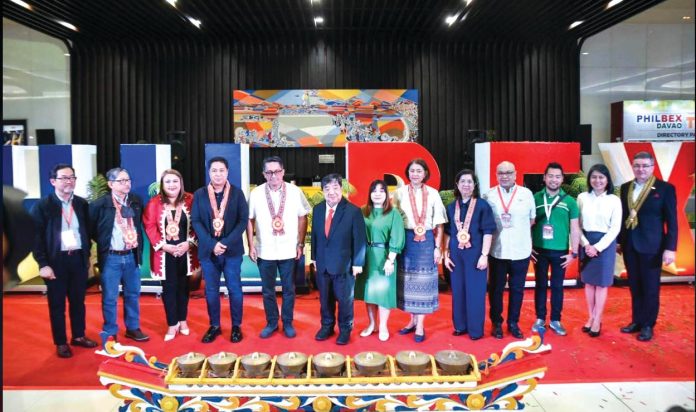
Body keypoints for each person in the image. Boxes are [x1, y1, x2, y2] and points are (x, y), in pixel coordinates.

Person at [30, 163, 97, 358]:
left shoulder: (81, 204)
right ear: (53, 181)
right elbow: (35, 238)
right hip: (55, 262)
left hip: (77, 259)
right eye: (64, 178)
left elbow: (88, 231)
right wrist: (43, 264)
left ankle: (79, 336)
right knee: (57, 304)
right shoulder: (43, 206)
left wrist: (87, 257)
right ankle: (60, 342)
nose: (69, 181)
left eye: (72, 178)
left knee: (78, 301)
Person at [247, 156, 310, 339]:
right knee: (267, 290)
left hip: (288, 248)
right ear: (264, 174)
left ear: (283, 172)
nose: (273, 176)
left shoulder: (294, 191)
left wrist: (300, 243)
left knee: (289, 288)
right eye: (269, 172)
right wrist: (251, 245)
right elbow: (249, 220)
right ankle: (272, 322)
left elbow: (303, 216)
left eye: (277, 171)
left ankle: (288, 322)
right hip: (264, 250)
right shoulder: (256, 193)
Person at [618, 152, 677, 342]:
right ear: (633, 167)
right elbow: (623, 217)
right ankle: (636, 320)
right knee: (635, 286)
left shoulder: (665, 189)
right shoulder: (626, 187)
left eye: (644, 166)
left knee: (651, 288)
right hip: (630, 245)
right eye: (637, 166)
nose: (640, 169)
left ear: (652, 167)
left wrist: (671, 248)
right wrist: (620, 240)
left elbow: (672, 222)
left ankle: (648, 325)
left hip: (653, 247)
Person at [192, 157, 249, 344]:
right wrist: (212, 244)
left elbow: (243, 220)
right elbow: (196, 221)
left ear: (227, 172)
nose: (218, 174)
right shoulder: (200, 195)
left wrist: (224, 243)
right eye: (214, 170)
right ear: (209, 172)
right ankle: (214, 326)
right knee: (211, 291)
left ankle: (236, 326)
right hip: (209, 253)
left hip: (231, 251)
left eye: (221, 170)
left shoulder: (237, 194)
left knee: (234, 289)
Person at [89, 167, 149, 343]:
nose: (126, 184)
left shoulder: (136, 201)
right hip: (111, 257)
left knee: (133, 294)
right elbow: (92, 229)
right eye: (121, 181)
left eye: (128, 180)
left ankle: (132, 327)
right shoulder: (100, 204)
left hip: (131, 255)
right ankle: (110, 330)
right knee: (110, 296)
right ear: (110, 184)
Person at [393, 158, 447, 343]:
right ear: (407, 173)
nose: (415, 174)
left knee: (424, 283)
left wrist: (438, 247)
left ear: (425, 174)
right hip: (405, 240)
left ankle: (421, 325)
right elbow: (393, 218)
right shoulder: (398, 193)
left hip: (426, 242)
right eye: (412, 170)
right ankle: (411, 321)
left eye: (419, 171)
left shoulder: (433, 194)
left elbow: (439, 223)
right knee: (407, 281)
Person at [143, 169, 200, 342]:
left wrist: (189, 242)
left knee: (184, 289)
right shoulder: (154, 203)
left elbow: (198, 222)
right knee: (169, 290)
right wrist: (165, 246)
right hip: (165, 255)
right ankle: (171, 323)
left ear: (180, 183)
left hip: (186, 253)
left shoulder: (191, 200)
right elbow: (149, 226)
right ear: (162, 184)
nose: (171, 185)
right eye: (167, 182)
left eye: (175, 181)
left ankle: (183, 321)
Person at [311, 173, 367, 345]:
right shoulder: (318, 209)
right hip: (322, 264)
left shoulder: (353, 211)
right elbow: (315, 235)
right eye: (327, 189)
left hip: (345, 265)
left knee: (345, 300)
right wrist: (314, 257)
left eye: (335, 188)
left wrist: (358, 263)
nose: (331, 192)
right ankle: (327, 326)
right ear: (322, 191)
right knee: (324, 299)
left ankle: (345, 329)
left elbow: (359, 239)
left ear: (341, 189)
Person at [484, 161, 535, 339]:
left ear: (515, 174)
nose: (504, 176)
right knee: (496, 289)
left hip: (521, 251)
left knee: (517, 290)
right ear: (496, 175)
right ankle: (496, 323)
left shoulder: (526, 194)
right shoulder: (488, 195)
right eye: (501, 173)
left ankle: (513, 323)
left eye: (508, 172)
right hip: (497, 251)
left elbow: (532, 219)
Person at [443, 170, 496, 341]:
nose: (466, 184)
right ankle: (460, 326)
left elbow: (488, 231)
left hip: (475, 254)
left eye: (470, 181)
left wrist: (484, 255)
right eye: (463, 181)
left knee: (475, 292)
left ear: (474, 185)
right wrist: (446, 254)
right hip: (456, 254)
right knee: (457, 290)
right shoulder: (451, 207)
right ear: (457, 184)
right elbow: (448, 232)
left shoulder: (482, 205)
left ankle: (475, 330)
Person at [531, 162, 581, 336]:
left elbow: (575, 228)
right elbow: (528, 225)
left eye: (557, 176)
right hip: (539, 250)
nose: (553, 179)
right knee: (541, 285)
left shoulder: (570, 202)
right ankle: (540, 318)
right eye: (550, 176)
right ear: (544, 178)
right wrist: (529, 247)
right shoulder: (535, 198)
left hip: (561, 251)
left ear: (562, 179)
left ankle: (555, 320)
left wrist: (574, 252)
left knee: (558, 286)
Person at [355, 179, 405, 342]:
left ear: (387, 194)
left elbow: (397, 237)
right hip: (366, 256)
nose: (377, 194)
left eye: (381, 191)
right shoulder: (363, 211)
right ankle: (372, 324)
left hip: (385, 257)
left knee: (383, 293)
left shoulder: (393, 213)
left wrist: (391, 259)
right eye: (374, 190)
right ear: (370, 194)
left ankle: (383, 325)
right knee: (369, 292)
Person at [577, 164, 621, 338]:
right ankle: (590, 317)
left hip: (605, 244)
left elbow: (615, 227)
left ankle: (598, 319)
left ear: (607, 180)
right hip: (586, 242)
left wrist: (598, 247)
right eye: (594, 177)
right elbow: (577, 225)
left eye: (601, 177)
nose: (597, 181)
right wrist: (586, 244)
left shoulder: (614, 200)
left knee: (601, 284)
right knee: (588, 282)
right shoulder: (582, 197)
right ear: (589, 179)